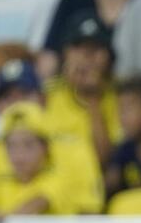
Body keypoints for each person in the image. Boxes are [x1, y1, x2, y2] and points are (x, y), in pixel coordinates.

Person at [45, 14, 123, 167]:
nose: (87, 56)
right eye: (78, 47)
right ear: (65, 53)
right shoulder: (46, 94)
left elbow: (105, 162)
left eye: (96, 49)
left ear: (109, 57)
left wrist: (93, 99)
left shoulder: (121, 97)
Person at [0, 101, 81, 220]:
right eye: (11, 146)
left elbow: (35, 204)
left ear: (46, 148)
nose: (19, 155)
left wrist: (2, 218)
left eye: (28, 145)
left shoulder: (57, 179)